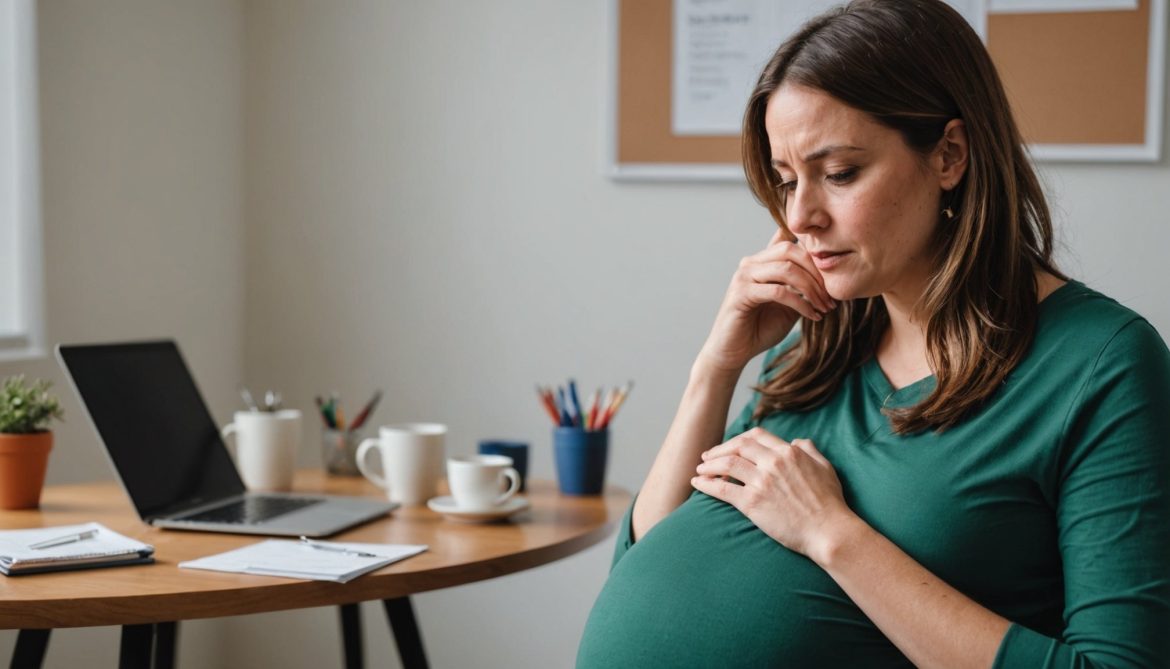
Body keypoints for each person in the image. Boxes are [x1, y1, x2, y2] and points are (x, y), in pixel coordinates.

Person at [576, 1, 1170, 667]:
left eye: (839, 174)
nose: (801, 215)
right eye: (785, 180)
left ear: (949, 155)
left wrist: (832, 532)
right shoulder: (819, 344)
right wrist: (716, 365)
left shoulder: (1102, 363)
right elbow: (648, 555)